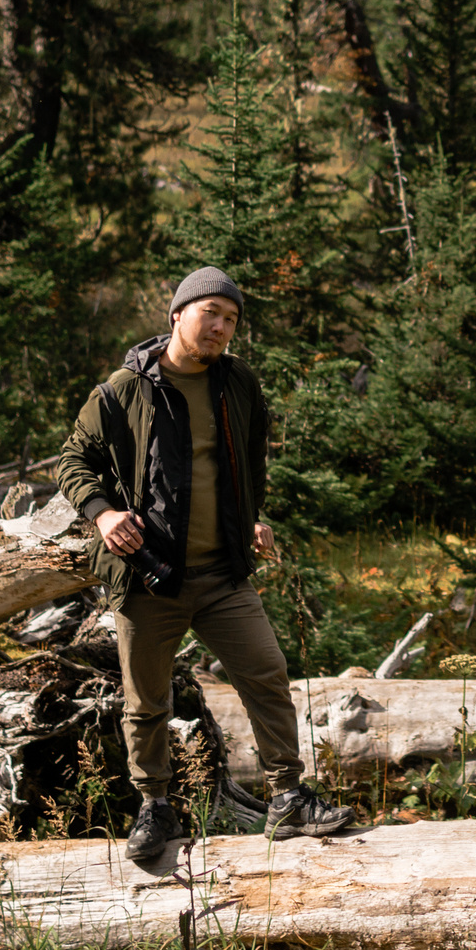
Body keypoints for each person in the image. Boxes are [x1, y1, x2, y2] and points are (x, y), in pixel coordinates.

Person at [59, 266, 355, 865]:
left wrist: (249, 518)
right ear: (177, 315)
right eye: (209, 313)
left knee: (267, 674)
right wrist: (104, 514)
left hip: (222, 575)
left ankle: (287, 798)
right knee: (147, 701)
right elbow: (72, 461)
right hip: (148, 576)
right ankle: (155, 806)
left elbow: (246, 461)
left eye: (231, 319)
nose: (220, 327)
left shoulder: (237, 382)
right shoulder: (122, 390)